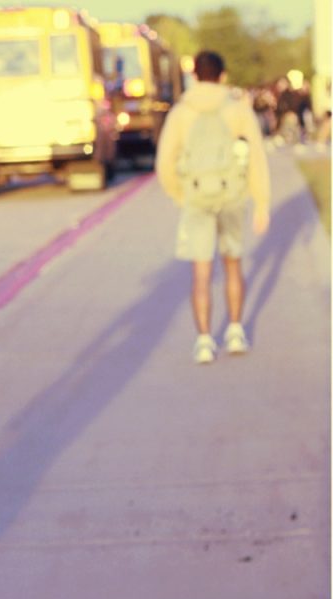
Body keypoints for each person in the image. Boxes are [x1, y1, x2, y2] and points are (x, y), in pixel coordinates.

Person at [155, 50, 270, 364]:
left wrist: (180, 195)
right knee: (233, 264)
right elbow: (256, 156)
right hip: (232, 195)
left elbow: (164, 162)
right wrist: (261, 202)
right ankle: (235, 330)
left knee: (201, 273)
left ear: (195, 75)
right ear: (222, 75)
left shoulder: (181, 112)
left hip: (196, 199)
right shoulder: (236, 108)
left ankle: (204, 340)